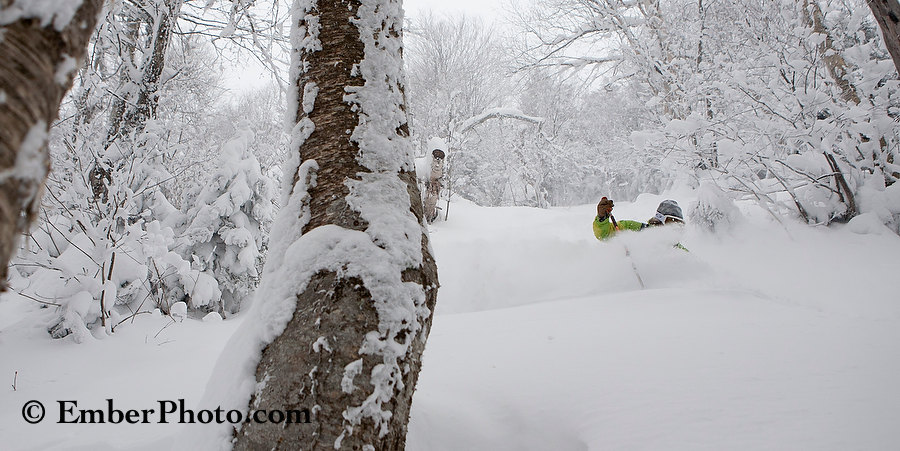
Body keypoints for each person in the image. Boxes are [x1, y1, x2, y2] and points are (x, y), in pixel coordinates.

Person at [593, 197, 684, 240]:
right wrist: (602, 218)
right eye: (671, 221)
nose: (675, 227)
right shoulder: (637, 229)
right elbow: (604, 235)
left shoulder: (677, 249)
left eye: (679, 224)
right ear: (660, 219)